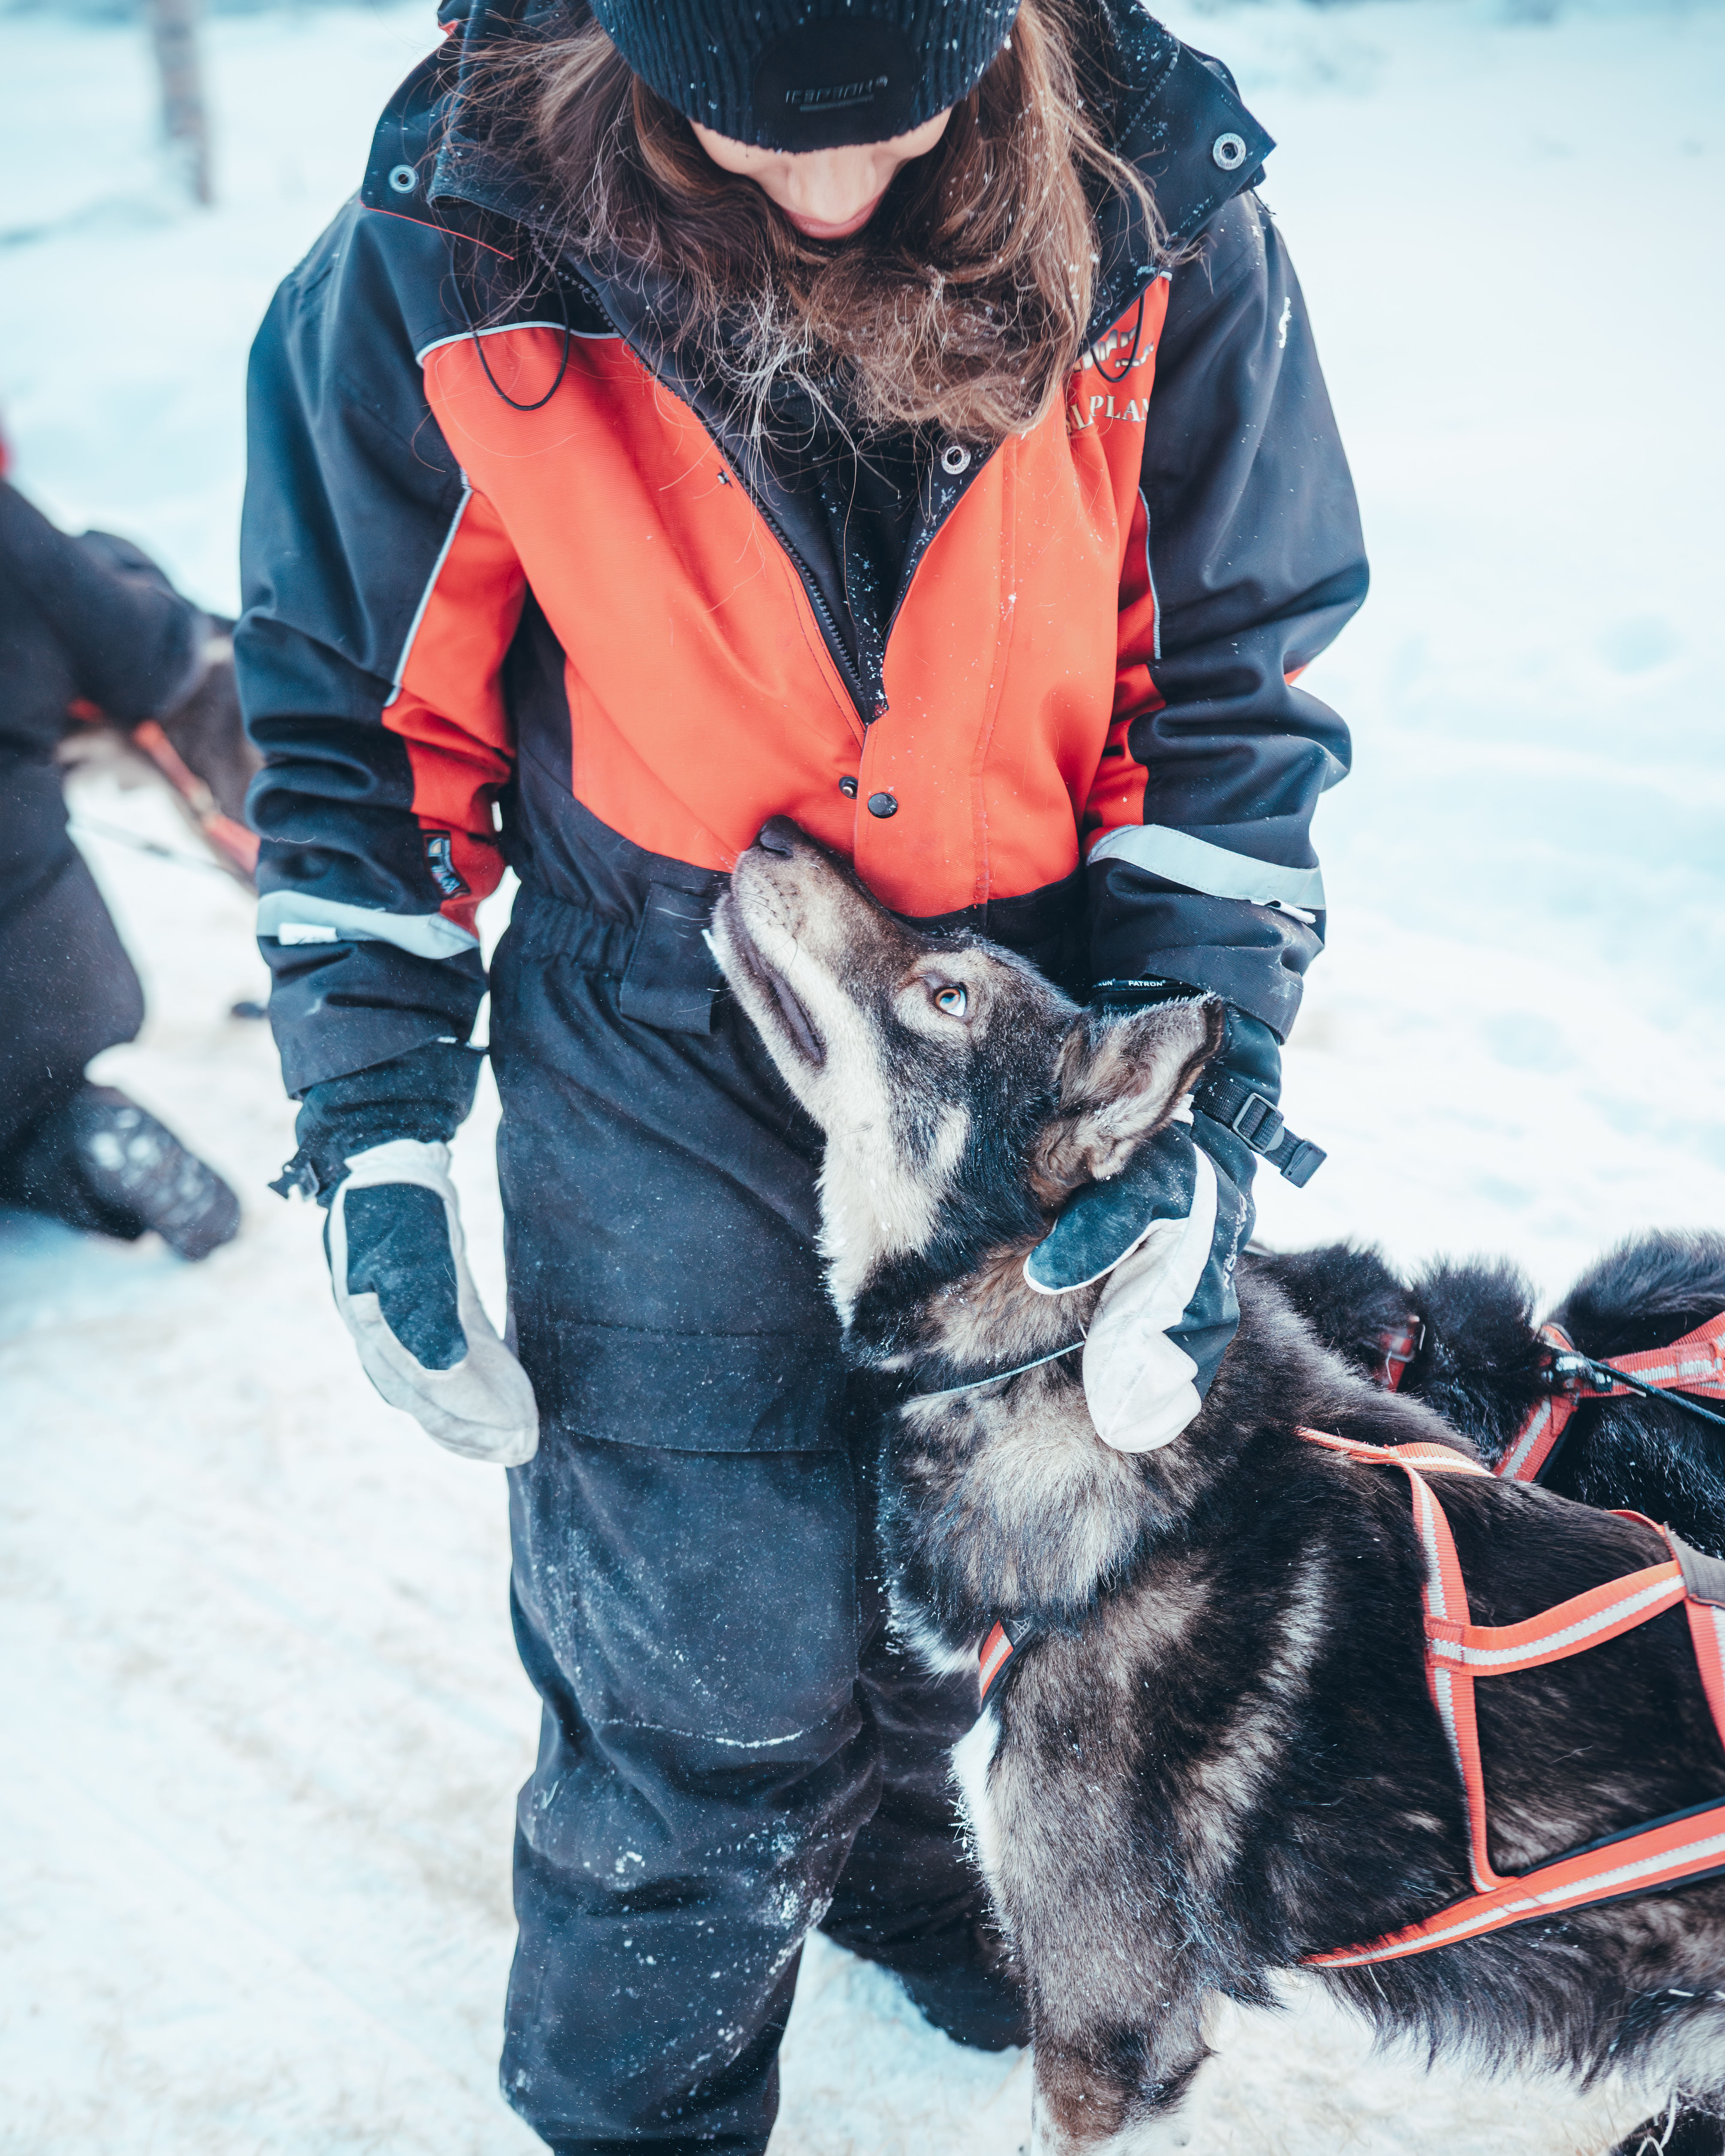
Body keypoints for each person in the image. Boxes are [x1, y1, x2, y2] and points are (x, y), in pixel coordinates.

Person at [237, 0, 1365, 2146]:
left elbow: (1232, 674)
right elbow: (353, 716)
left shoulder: (1158, 208)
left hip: (1022, 1008)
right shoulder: (456, 241)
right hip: (664, 1009)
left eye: (899, 126)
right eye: (754, 136)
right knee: (709, 1666)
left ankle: (895, 1863)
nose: (835, 192)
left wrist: (1202, 1092)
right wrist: (373, 1113)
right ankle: (647, 2104)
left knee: (998, 1572)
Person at [0, 461, 242, 1261]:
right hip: (34, 977)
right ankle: (79, 1135)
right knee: (29, 1112)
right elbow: (153, 655)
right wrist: (107, 561)